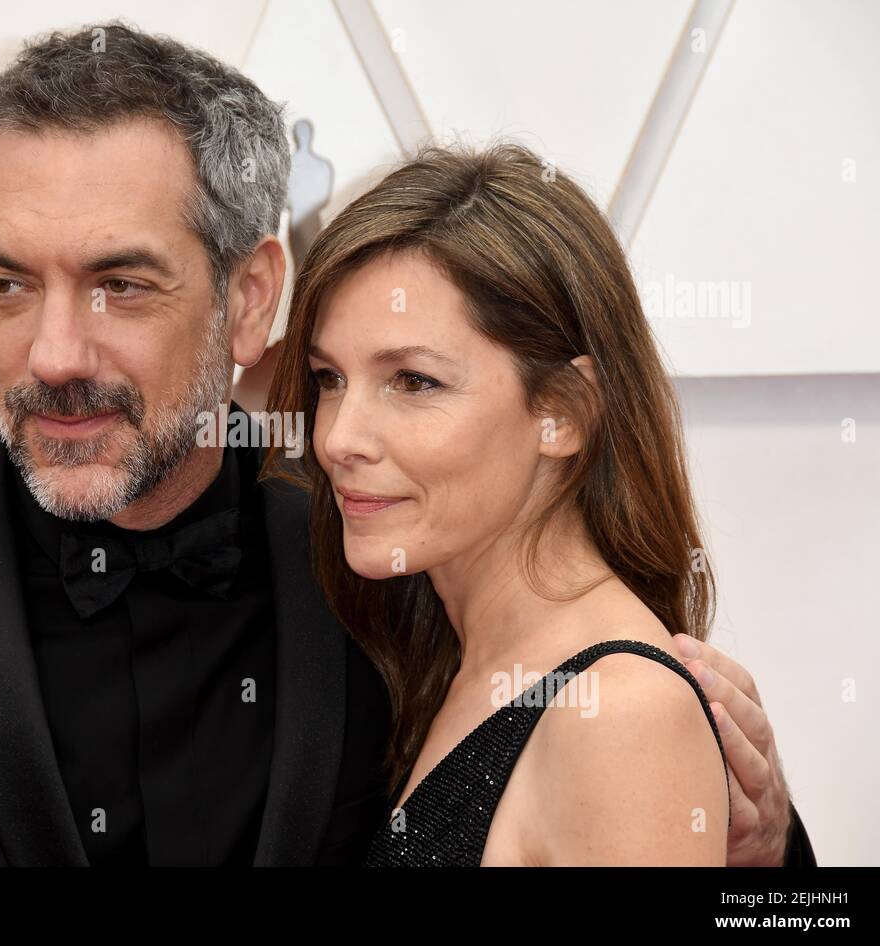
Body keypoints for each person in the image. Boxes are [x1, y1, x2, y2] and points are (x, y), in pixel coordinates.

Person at [0, 22, 812, 866]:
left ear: (251, 297)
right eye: (7, 282)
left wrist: (763, 843)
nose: (51, 352)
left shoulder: (387, 570)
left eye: (119, 283)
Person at [262, 140, 815, 865]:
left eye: (414, 382)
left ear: (565, 411)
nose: (337, 437)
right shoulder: (436, 653)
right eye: (329, 378)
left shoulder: (621, 714)